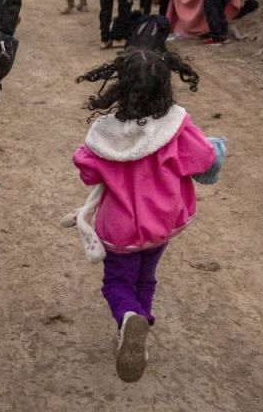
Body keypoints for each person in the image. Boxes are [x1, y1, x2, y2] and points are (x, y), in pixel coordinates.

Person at [72, 48, 225, 382]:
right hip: (162, 225)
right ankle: (140, 320)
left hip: (121, 230)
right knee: (146, 276)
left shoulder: (105, 134)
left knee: (117, 281)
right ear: (165, 86)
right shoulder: (175, 126)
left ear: (119, 87)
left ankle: (129, 317)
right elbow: (203, 159)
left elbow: (87, 172)